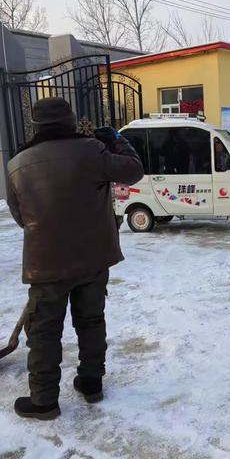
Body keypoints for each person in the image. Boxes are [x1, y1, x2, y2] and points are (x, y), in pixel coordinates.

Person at [7, 97, 144, 420]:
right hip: (94, 258)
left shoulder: (16, 165)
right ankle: (92, 383)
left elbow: (20, 216)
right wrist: (117, 139)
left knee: (43, 331)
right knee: (91, 320)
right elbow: (134, 171)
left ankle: (44, 402)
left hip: (47, 263)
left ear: (35, 125)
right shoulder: (93, 151)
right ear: (71, 120)